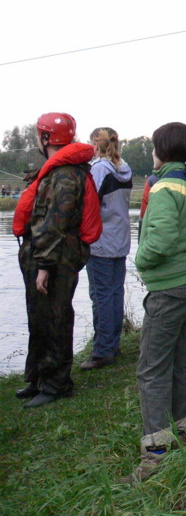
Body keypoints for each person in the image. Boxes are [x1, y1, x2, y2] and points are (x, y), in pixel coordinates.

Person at [131, 122, 186, 482]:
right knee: (184, 361)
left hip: (170, 290)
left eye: (154, 147)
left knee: (152, 368)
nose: (152, 153)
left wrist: (140, 259)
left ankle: (156, 452)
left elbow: (161, 240)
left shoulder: (165, 187)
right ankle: (181, 431)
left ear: (162, 151)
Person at [13, 112, 97, 408]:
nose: (37, 138)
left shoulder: (64, 175)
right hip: (44, 253)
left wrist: (45, 267)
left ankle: (56, 384)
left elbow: (54, 223)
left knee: (55, 318)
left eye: (39, 134)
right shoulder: (58, 171)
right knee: (39, 316)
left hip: (55, 257)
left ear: (46, 138)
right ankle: (38, 378)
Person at [81, 126, 133, 370]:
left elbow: (89, 203)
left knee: (101, 296)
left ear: (95, 144)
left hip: (101, 241)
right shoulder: (124, 167)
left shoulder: (99, 169)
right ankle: (113, 344)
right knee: (114, 293)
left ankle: (102, 351)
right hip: (120, 239)